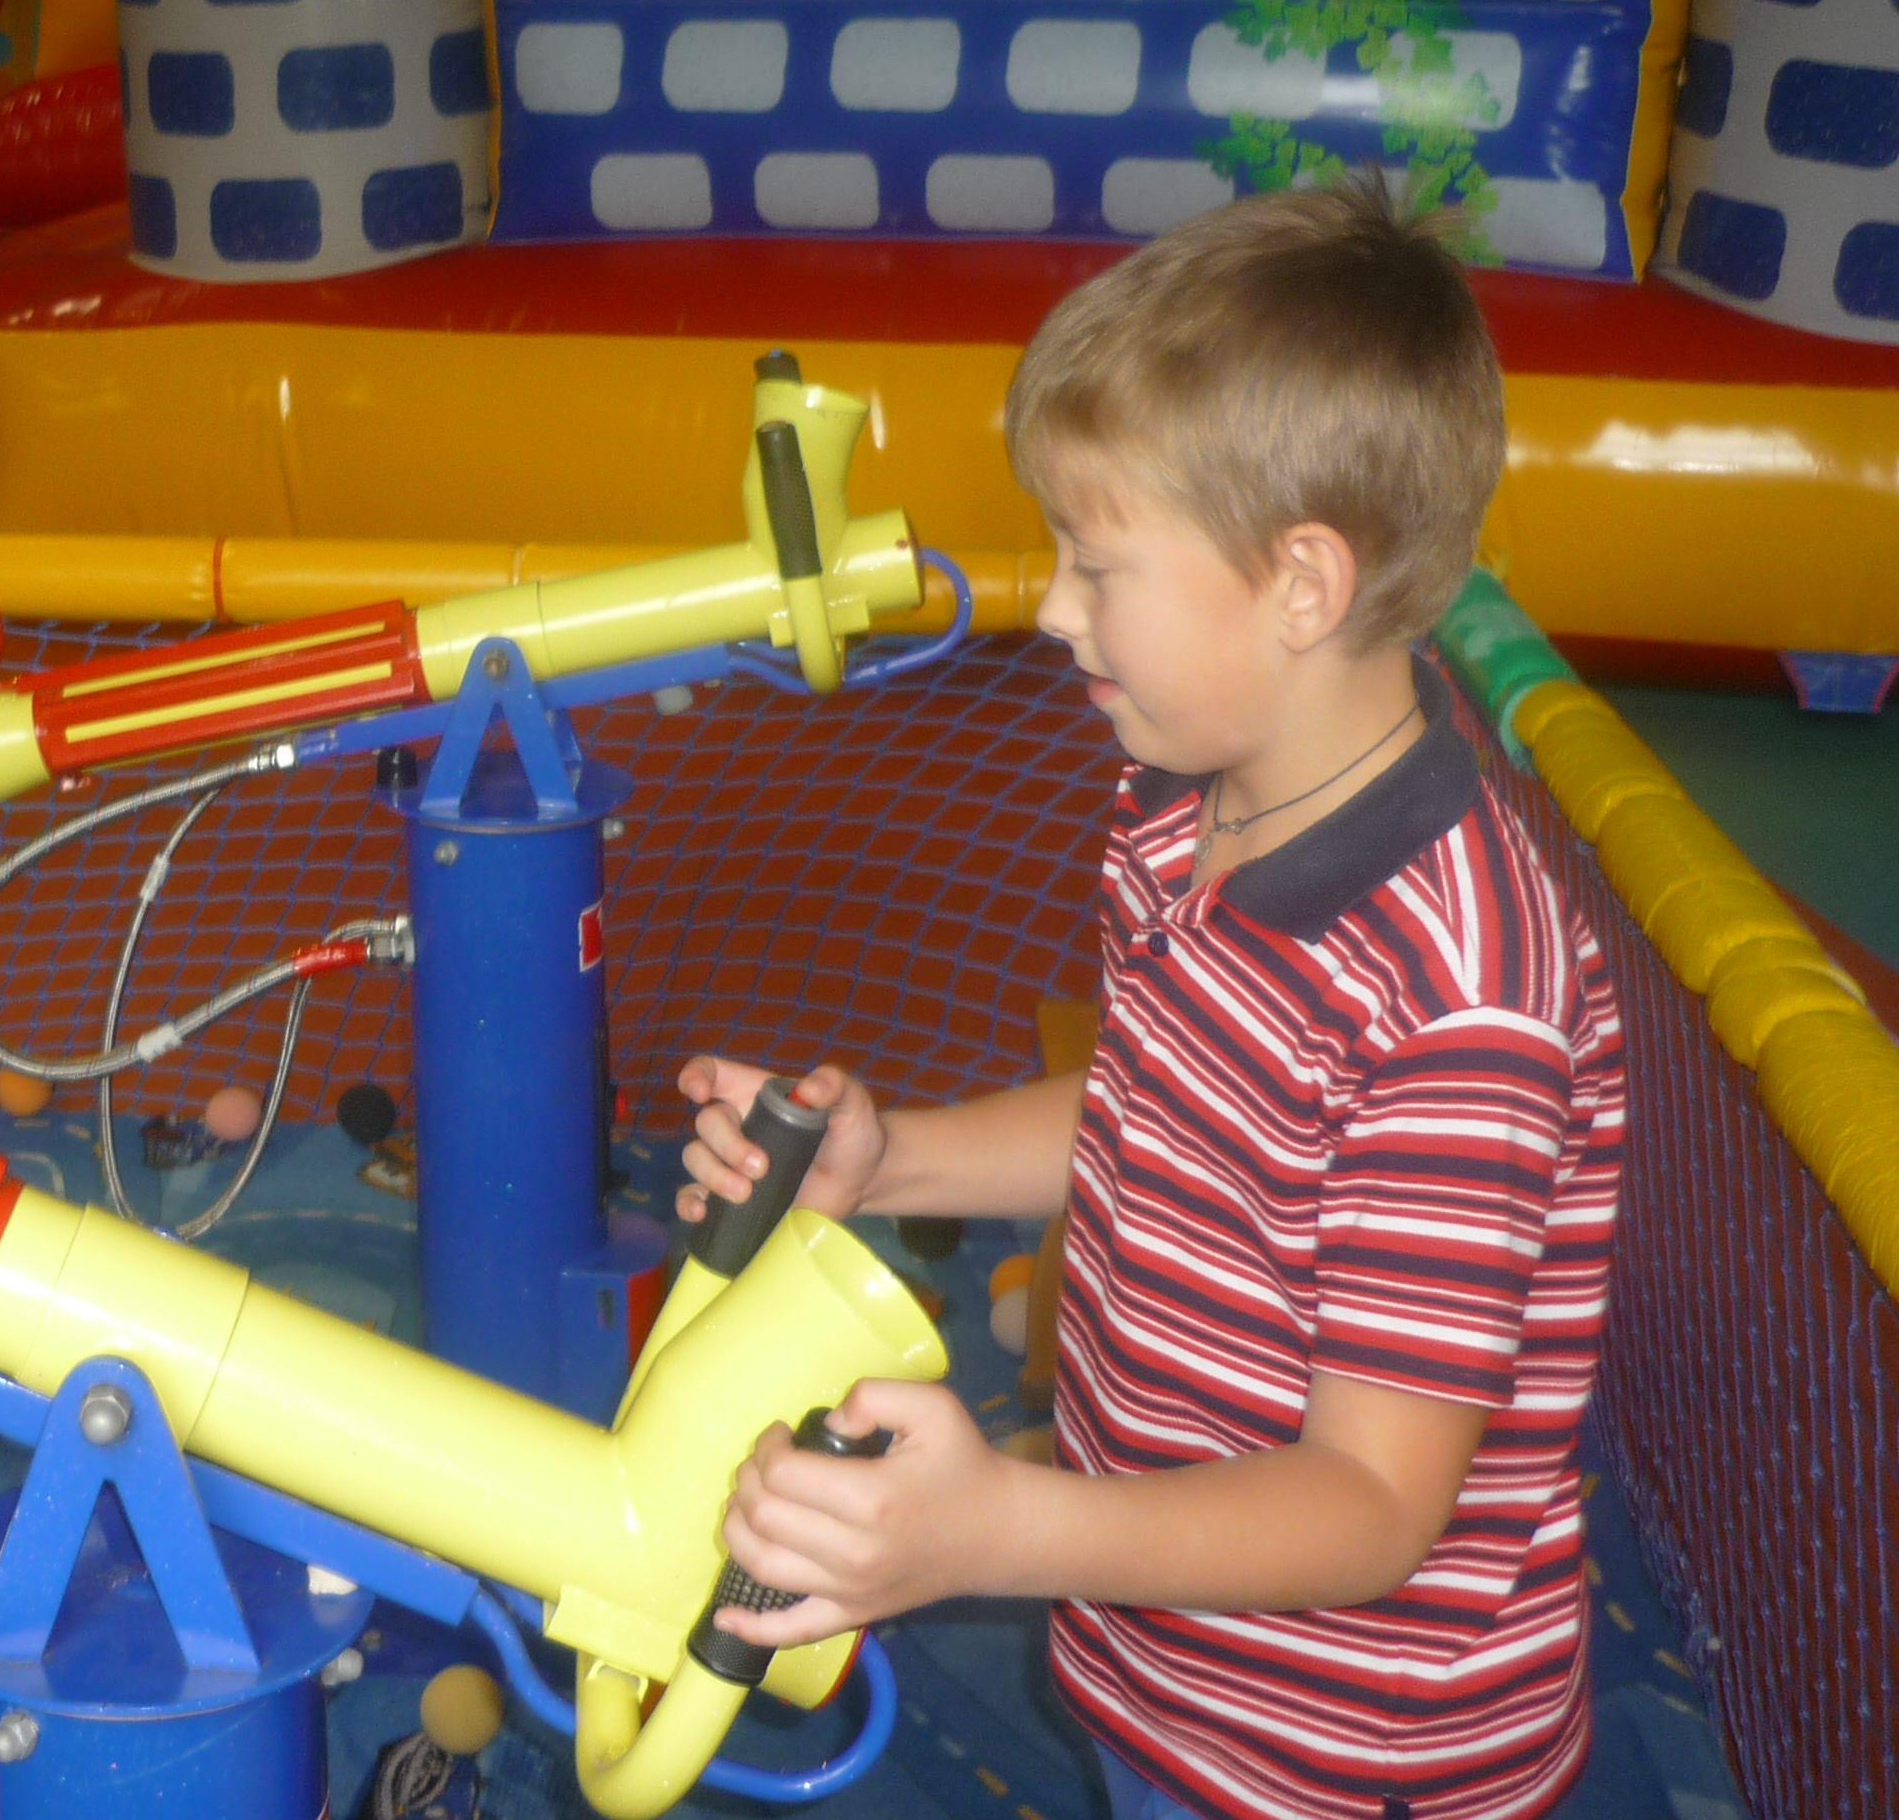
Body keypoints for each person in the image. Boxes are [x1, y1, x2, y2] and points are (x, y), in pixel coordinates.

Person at [677, 176, 1624, 1820]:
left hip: (1341, 1754)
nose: (1050, 608)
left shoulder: (1459, 997)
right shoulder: (1181, 811)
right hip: (1157, 1657)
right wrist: (894, 1158)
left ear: (1302, 585)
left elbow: (1370, 1505)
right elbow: (1154, 1114)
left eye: (1094, 563)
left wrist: (1001, 1530)